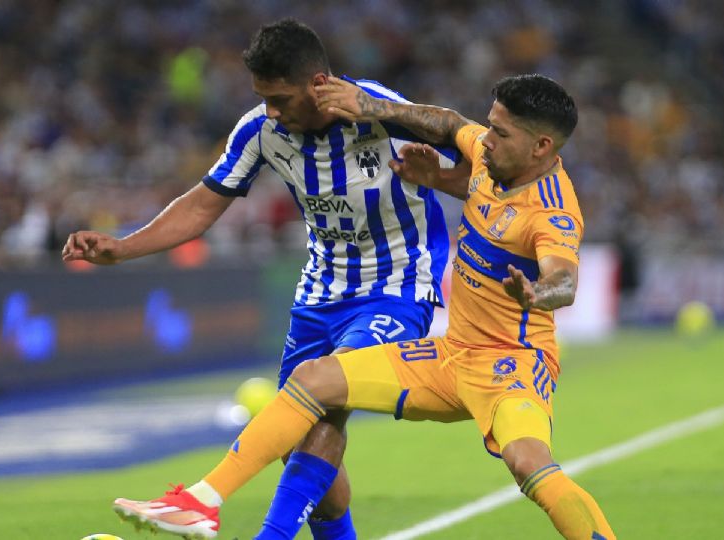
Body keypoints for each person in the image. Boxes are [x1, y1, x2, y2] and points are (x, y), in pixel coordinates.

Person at [111, 74, 617, 540]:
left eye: (501, 133)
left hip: (514, 367)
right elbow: (446, 124)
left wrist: (538, 294)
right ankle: (201, 501)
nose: (485, 138)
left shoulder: (552, 211)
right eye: (490, 124)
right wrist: (416, 155)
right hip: (451, 357)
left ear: (542, 146)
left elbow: (564, 277)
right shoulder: (491, 157)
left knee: (528, 463)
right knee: (313, 379)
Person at [62, 19, 466, 540]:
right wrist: (123, 247)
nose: (272, 111)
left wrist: (383, 109)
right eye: (263, 98)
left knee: (326, 398)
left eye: (280, 98)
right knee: (304, 441)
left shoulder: (378, 109)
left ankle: (242, 523)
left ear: (319, 84)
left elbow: (464, 135)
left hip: (397, 286)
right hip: (321, 292)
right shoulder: (260, 131)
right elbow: (204, 203)